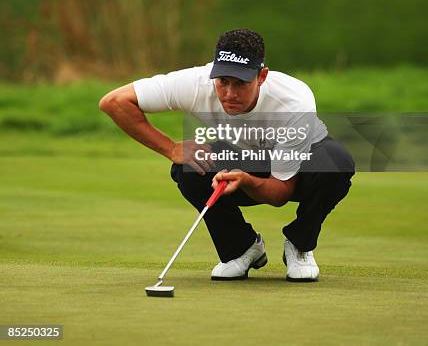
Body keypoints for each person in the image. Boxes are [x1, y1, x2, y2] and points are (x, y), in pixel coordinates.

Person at [99, 29, 355, 282]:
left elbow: (281, 192)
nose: (230, 94)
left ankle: (300, 244)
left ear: (262, 76)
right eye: (223, 82)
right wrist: (171, 148)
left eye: (241, 83)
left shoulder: (294, 101)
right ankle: (241, 248)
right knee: (189, 168)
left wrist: (247, 181)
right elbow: (114, 102)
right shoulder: (195, 83)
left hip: (300, 170)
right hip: (243, 157)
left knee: (335, 163)